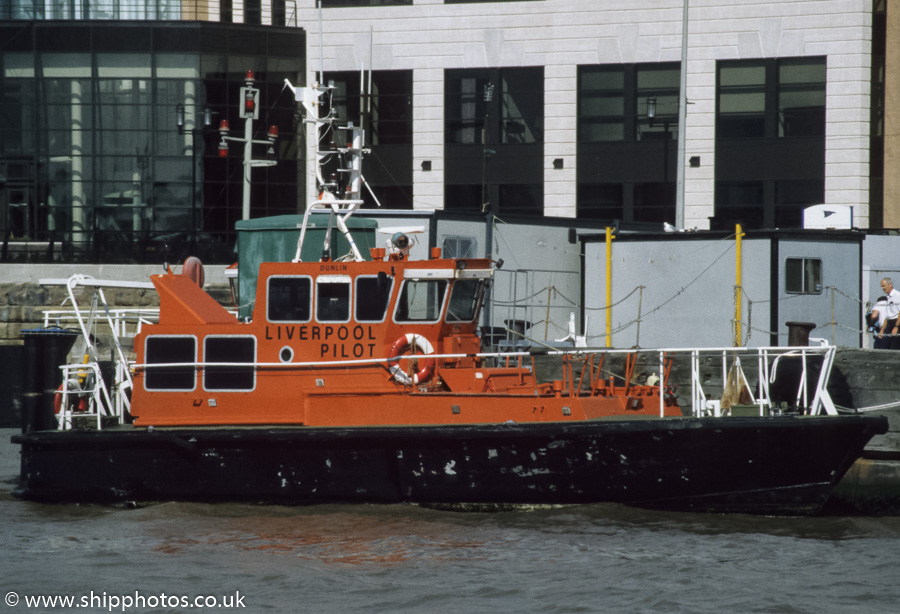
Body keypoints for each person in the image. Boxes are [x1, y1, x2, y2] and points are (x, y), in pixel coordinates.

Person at [878, 278, 900, 349]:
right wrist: (882, 330)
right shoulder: (888, 298)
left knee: (895, 347)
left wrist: (896, 326)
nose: (882, 288)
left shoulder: (897, 295)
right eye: (881, 286)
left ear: (890, 285)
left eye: (884, 286)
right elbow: (887, 316)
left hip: (897, 322)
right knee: (889, 347)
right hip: (890, 324)